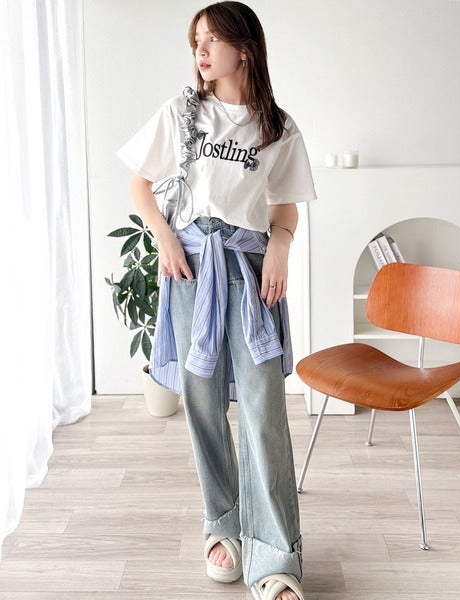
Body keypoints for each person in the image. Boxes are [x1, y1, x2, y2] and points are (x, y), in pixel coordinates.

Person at [116, 2, 316, 598]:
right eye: (196, 41)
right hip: (189, 270)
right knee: (202, 405)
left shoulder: (277, 127)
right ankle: (223, 525)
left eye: (212, 40)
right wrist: (162, 236)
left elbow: (284, 208)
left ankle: (275, 555)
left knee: (262, 410)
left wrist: (280, 247)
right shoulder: (182, 114)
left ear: (244, 49)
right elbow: (140, 183)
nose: (200, 52)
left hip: (250, 274)